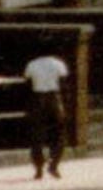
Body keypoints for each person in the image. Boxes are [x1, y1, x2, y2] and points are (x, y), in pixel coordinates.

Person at [22, 46, 72, 181]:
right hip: (54, 98)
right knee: (59, 133)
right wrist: (65, 105)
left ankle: (38, 168)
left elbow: (27, 84)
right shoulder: (58, 64)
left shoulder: (32, 64)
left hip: (38, 98)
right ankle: (54, 164)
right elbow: (64, 85)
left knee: (37, 135)